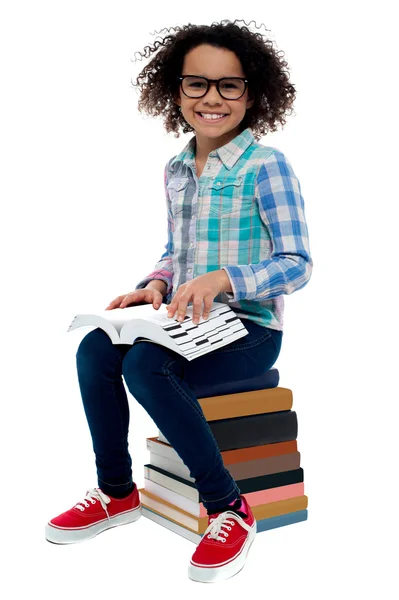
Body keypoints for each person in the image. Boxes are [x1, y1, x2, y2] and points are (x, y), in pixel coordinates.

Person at [45, 19, 313, 583]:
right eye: (197, 84)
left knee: (146, 365)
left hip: (250, 329)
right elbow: (176, 251)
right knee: (95, 347)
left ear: (253, 93)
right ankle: (117, 491)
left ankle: (228, 508)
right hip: (184, 321)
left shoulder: (268, 167)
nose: (211, 98)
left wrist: (225, 279)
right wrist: (157, 285)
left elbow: (297, 264)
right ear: (176, 91)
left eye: (229, 86)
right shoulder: (176, 169)